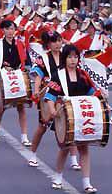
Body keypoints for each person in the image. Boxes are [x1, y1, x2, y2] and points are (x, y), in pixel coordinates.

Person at [44, 45, 100, 193]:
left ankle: (87, 183)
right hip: (65, 116)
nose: (73, 60)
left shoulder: (83, 75)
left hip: (81, 116)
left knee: (84, 148)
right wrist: (52, 110)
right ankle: (58, 177)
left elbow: (92, 94)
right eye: (70, 57)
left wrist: (100, 99)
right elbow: (50, 96)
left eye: (75, 57)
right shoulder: (59, 75)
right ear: (65, 58)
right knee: (65, 148)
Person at [28, 31, 80, 169]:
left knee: (71, 125)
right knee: (42, 126)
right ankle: (32, 154)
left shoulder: (67, 56)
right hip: (50, 95)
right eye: (54, 41)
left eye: (59, 40)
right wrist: (36, 91)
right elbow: (38, 76)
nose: (58, 44)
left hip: (66, 94)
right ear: (48, 44)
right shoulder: (43, 58)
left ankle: (74, 159)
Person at [0, 20, 31, 146]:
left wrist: (28, 72)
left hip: (17, 76)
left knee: (21, 107)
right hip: (4, 78)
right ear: (3, 31)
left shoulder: (20, 44)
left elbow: (26, 61)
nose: (10, 31)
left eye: (12, 29)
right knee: (2, 107)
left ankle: (24, 136)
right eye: (8, 29)